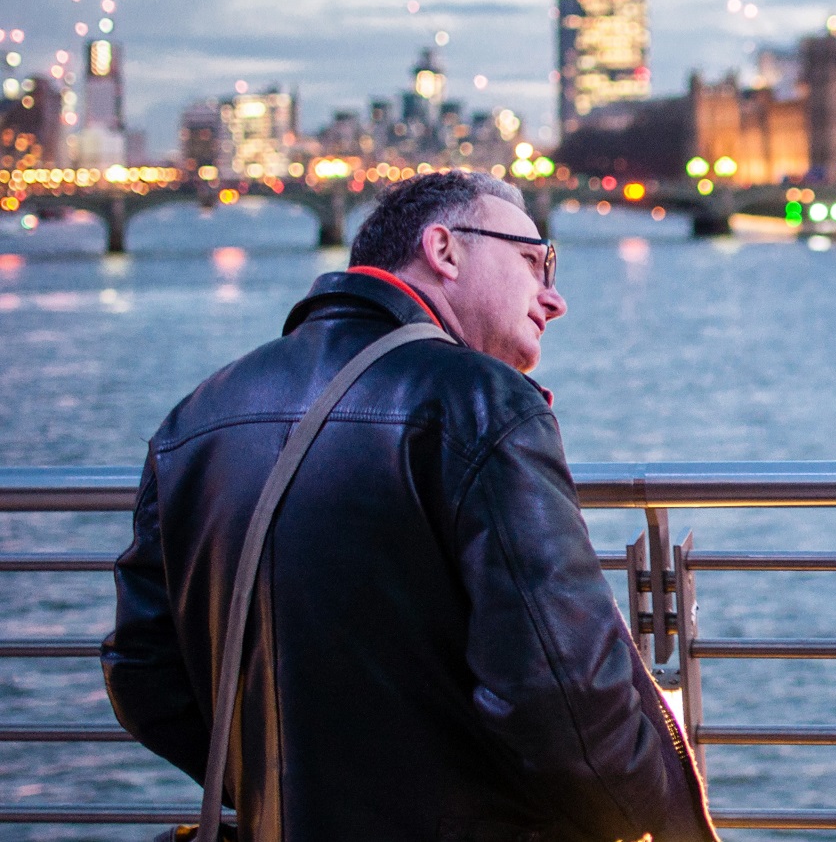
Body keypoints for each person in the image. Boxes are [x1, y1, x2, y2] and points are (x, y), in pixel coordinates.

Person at [103, 172, 718, 842]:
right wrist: (662, 820)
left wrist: (277, 781)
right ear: (445, 250)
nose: (555, 296)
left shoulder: (198, 416)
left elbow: (143, 673)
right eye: (532, 260)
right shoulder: (482, 402)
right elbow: (563, 693)